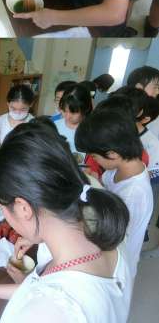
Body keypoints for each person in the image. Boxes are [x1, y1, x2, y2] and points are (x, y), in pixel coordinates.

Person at [0, 122, 131, 323]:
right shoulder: (108, 234)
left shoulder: (45, 312)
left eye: (1, 208)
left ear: (23, 208)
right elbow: (45, 291)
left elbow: (49, 302)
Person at [75, 106, 153, 280]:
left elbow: (111, 233)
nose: (94, 160)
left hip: (116, 265)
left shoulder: (133, 193)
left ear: (112, 154)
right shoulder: (121, 167)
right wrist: (97, 180)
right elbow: (109, 188)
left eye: (95, 156)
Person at [0, 83, 34, 155]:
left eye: (23, 109)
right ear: (8, 104)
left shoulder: (34, 123)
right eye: (13, 108)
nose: (18, 113)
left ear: (31, 105)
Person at [54, 85, 93, 155]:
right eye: (64, 111)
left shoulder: (91, 131)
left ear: (86, 109)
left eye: (73, 112)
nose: (68, 116)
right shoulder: (54, 126)